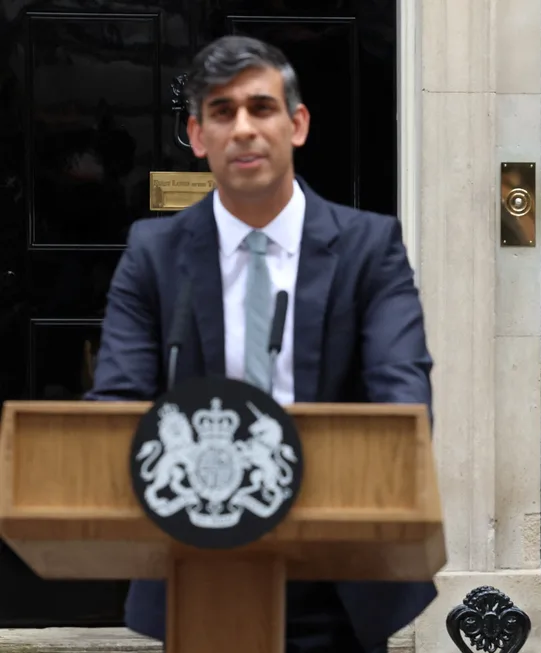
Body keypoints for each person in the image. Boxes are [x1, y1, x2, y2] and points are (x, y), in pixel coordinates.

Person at [84, 35, 435, 653]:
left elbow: (402, 405)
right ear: (196, 135)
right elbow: (117, 403)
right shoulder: (153, 254)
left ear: (296, 124)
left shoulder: (369, 248)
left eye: (260, 108)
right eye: (222, 112)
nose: (243, 129)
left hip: (335, 575)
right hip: (196, 562)